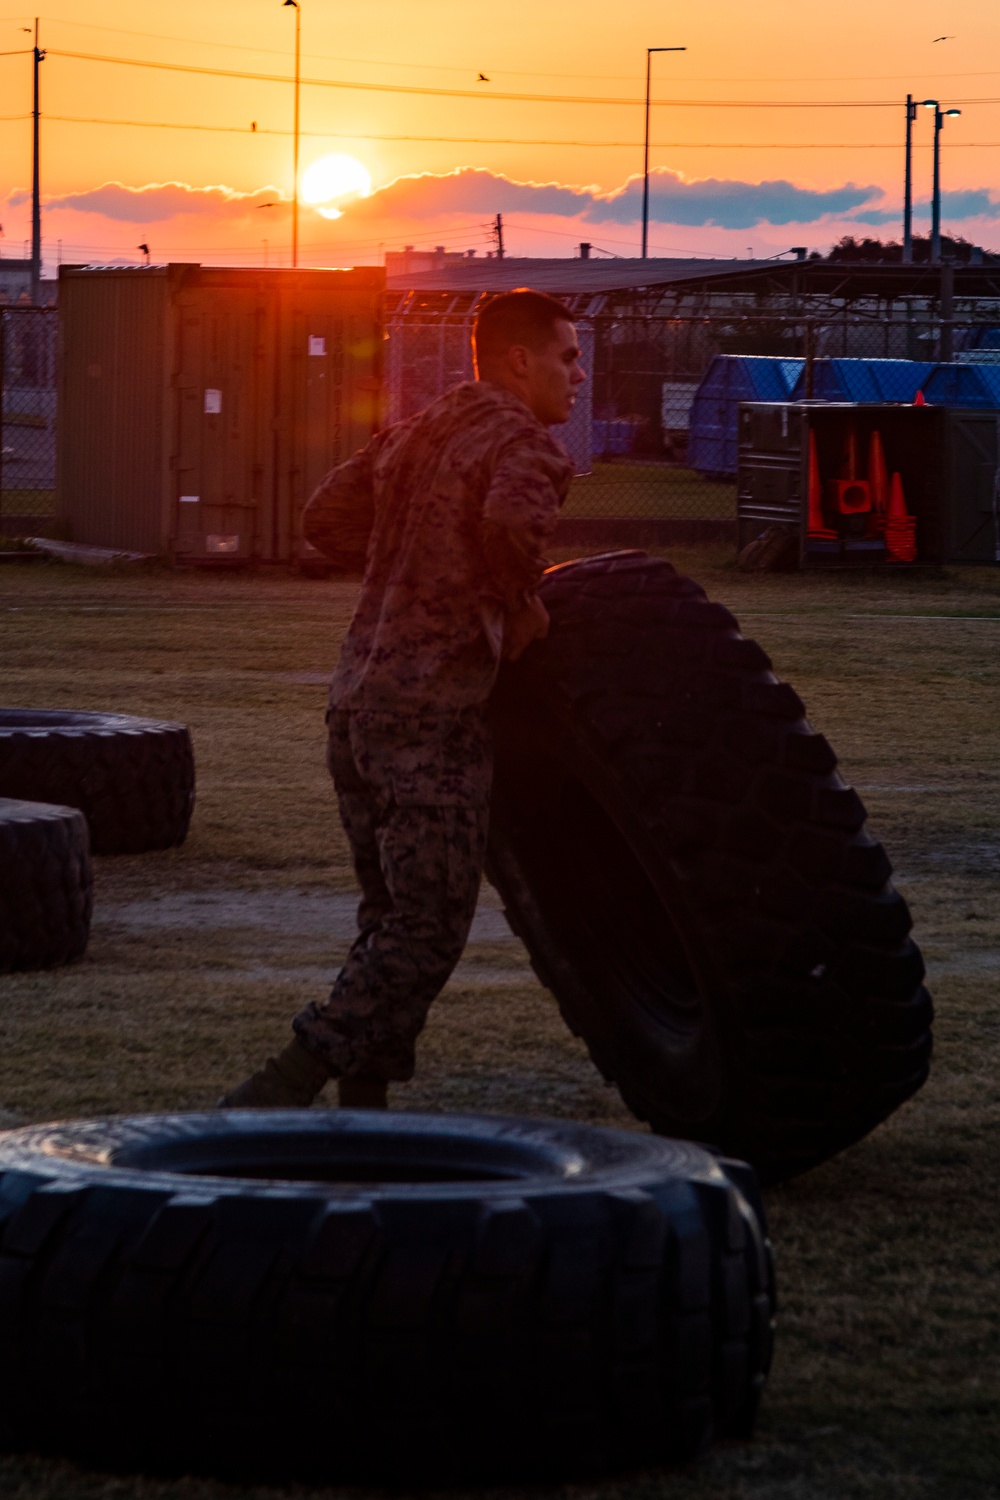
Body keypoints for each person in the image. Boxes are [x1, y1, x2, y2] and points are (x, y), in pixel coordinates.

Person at [220, 288, 585, 1110]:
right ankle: (284, 1084)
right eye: (567, 357)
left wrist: (416, 559)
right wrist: (514, 599)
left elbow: (325, 518)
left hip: (355, 707)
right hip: (431, 717)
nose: (581, 376)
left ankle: (366, 1104)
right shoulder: (526, 444)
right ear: (520, 363)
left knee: (388, 916)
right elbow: (510, 528)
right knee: (428, 926)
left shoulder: (420, 429)